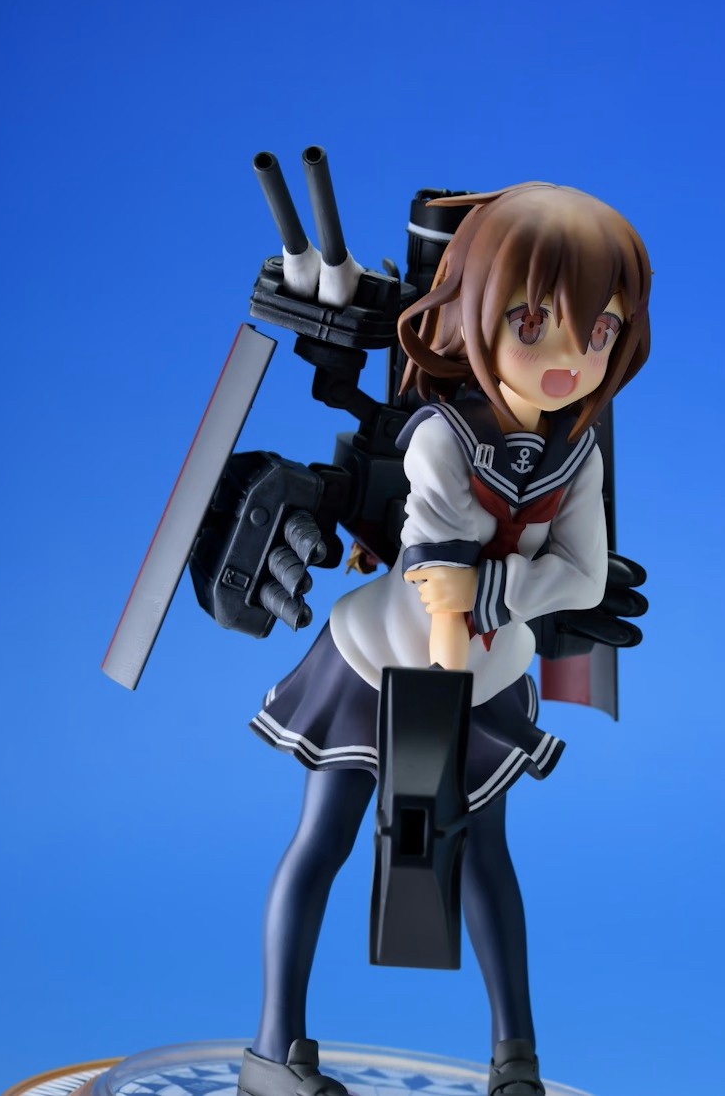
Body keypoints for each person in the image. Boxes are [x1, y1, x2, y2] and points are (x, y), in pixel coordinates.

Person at [238, 182, 652, 1096]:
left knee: (485, 857)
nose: (570, 358)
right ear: (473, 317)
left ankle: (516, 1063)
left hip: (484, 673)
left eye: (598, 330)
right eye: (533, 323)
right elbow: (437, 585)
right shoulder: (440, 437)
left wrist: (494, 591)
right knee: (326, 839)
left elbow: (580, 576)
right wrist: (477, 616)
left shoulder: (577, 452)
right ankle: (272, 1052)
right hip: (381, 664)